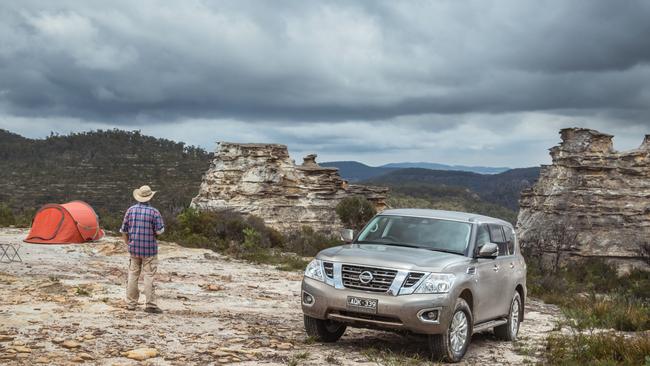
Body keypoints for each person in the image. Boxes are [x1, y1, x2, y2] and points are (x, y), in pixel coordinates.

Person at [120, 185, 165, 313]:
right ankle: (150, 304)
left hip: (134, 249)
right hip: (149, 250)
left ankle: (131, 303)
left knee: (133, 275)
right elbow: (160, 231)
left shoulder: (131, 210)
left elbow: (124, 230)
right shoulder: (154, 212)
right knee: (149, 276)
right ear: (150, 197)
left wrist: (128, 243)